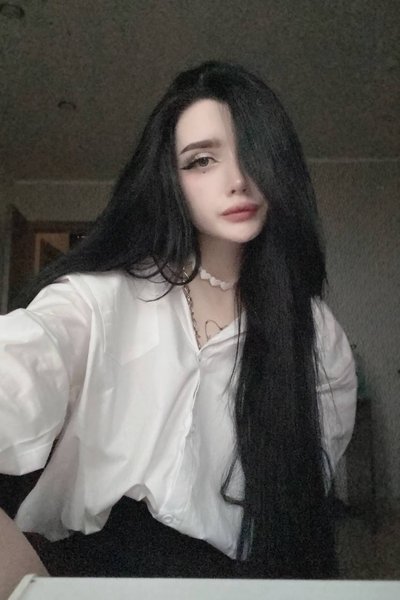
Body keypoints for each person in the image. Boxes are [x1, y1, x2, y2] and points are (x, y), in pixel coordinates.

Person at [0, 60, 357, 580]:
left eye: (252, 153)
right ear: (169, 179)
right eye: (202, 160)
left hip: (243, 577)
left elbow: (302, 506)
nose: (238, 181)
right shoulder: (102, 297)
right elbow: (23, 364)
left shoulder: (316, 335)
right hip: (93, 571)